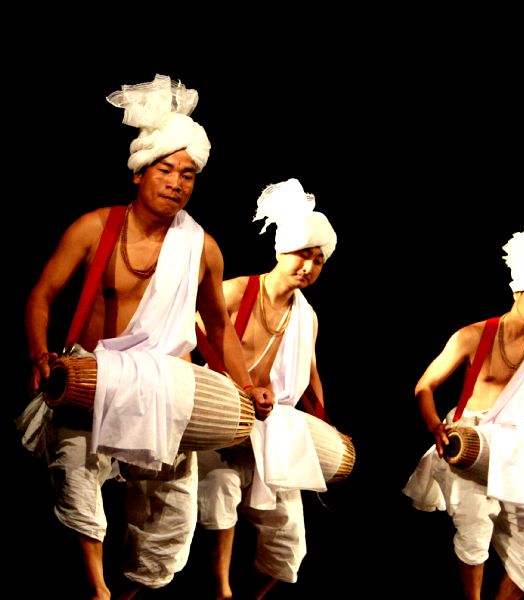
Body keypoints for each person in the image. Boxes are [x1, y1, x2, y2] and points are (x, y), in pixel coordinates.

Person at [22, 73, 273, 600]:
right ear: (140, 172)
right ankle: (97, 590)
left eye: (188, 174)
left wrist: (247, 385)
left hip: (167, 385)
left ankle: (131, 592)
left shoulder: (201, 248)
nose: (177, 182)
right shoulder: (95, 228)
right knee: (75, 474)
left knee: (171, 512)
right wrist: (39, 353)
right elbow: (42, 294)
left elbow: (219, 328)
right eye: (166, 169)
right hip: (92, 376)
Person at [403, 225, 524, 599]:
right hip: (472, 437)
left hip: (521, 443)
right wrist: (435, 426)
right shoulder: (472, 335)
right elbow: (424, 386)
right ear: (518, 292)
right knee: (474, 531)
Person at [196, 178, 338, 599]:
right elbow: (190, 330)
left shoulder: (307, 316)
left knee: (290, 543)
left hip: (276, 427)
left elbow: (311, 375)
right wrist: (225, 387)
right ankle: (221, 590)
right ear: (280, 250)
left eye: (318, 260)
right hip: (224, 416)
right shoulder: (237, 291)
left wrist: (324, 425)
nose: (309, 266)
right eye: (302, 254)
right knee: (220, 490)